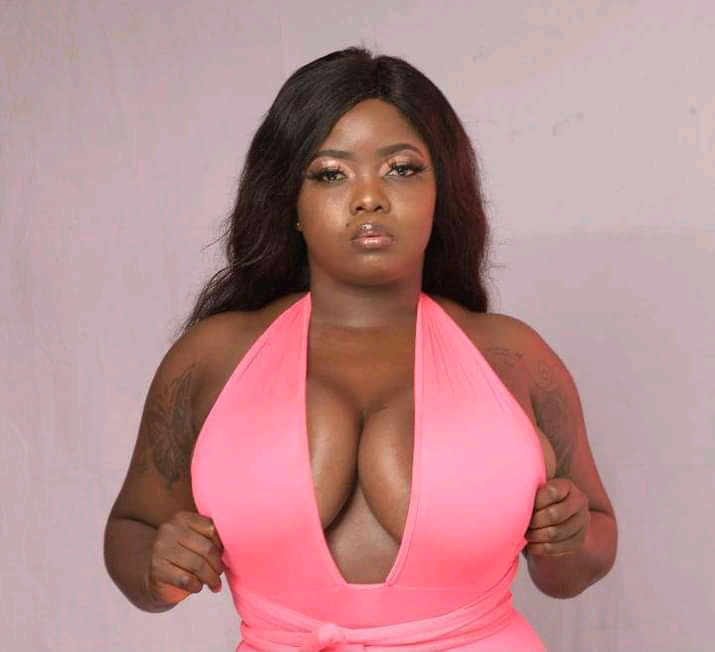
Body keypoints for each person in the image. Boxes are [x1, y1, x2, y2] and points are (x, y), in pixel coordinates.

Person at [104, 46, 617, 651]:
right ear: (289, 203)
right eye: (330, 173)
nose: (369, 197)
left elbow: (578, 561)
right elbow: (133, 527)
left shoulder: (514, 358)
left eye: (401, 169)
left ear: (441, 192)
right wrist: (155, 566)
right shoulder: (211, 359)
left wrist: (570, 538)